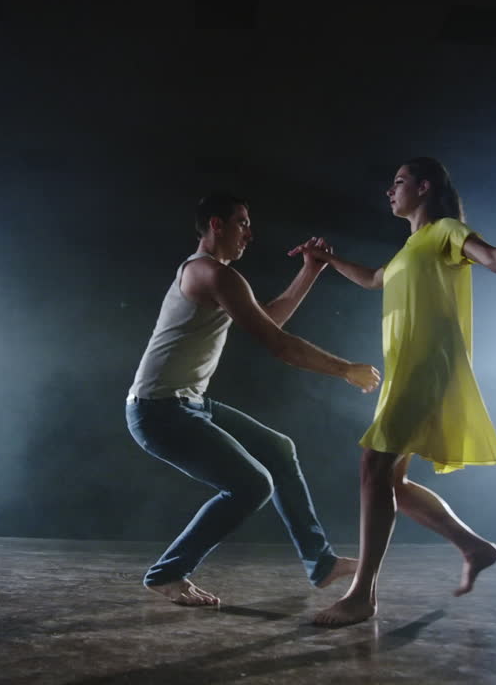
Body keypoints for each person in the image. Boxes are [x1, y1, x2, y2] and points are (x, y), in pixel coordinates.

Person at [294, 157, 496, 626]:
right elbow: (373, 280)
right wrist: (325, 259)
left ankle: (362, 595)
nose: (389, 191)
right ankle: (474, 547)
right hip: (404, 372)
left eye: (398, 182)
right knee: (390, 481)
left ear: (424, 187)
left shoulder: (444, 231)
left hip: (428, 368)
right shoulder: (408, 249)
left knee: (373, 466)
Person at [126, 192, 382, 607]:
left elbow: (271, 318)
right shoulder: (209, 273)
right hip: (158, 411)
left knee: (279, 450)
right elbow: (279, 345)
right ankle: (167, 574)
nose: (250, 232)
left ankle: (320, 563)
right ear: (216, 225)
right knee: (251, 485)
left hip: (189, 404)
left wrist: (310, 270)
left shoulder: (219, 277)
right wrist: (344, 369)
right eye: (242, 222)